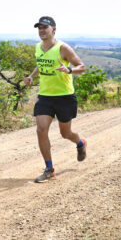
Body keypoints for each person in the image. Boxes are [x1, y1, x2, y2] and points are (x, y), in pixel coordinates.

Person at [24, 16, 86, 183]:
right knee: (41, 130)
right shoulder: (38, 48)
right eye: (39, 28)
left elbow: (82, 66)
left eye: (45, 27)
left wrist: (69, 70)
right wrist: (31, 76)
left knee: (65, 133)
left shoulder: (63, 48)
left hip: (64, 96)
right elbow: (41, 63)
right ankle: (49, 169)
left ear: (54, 29)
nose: (42, 31)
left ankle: (80, 143)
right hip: (45, 96)